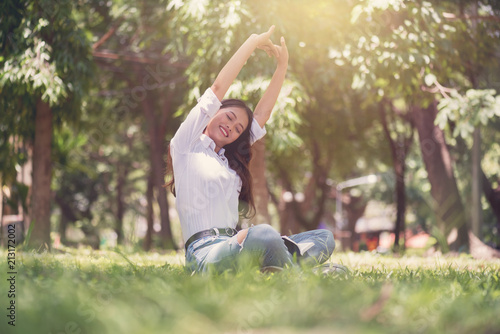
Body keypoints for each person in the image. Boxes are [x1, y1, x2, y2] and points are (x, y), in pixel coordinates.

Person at [167, 26, 335, 273]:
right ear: (215, 110)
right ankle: (301, 277)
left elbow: (262, 114)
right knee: (264, 234)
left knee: (324, 238)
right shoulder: (186, 145)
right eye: (230, 117)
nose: (231, 127)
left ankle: (278, 269)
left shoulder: (227, 161)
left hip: (237, 247)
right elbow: (217, 87)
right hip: (204, 255)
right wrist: (252, 43)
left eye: (237, 129)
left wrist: (282, 67)